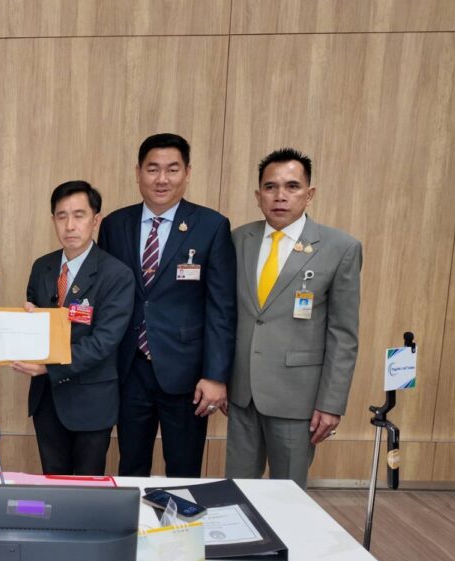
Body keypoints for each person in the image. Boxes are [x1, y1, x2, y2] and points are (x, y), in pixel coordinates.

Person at [98, 133, 236, 478]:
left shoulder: (211, 226)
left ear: (187, 173)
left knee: (184, 468)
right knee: (131, 464)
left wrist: (215, 376)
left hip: (187, 372)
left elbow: (221, 308)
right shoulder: (115, 225)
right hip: (129, 367)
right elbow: (106, 297)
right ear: (138, 173)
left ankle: (180, 516)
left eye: (172, 169)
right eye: (153, 169)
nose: (162, 179)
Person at [226, 147, 361, 489]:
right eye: (270, 187)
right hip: (242, 394)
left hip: (297, 398)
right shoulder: (238, 239)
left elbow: (343, 335)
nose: (280, 196)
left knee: (287, 495)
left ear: (309, 194)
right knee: (238, 491)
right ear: (258, 195)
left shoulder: (340, 247)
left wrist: (331, 404)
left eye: (292, 186)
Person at [12, 181, 134, 475]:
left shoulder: (116, 274)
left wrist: (49, 365)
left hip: (91, 400)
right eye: (62, 216)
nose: (70, 225)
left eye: (79, 215)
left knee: (86, 488)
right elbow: (35, 319)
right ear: (53, 220)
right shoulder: (42, 266)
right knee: (53, 484)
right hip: (47, 400)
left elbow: (104, 341)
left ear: (96, 220)